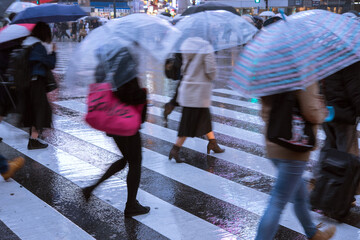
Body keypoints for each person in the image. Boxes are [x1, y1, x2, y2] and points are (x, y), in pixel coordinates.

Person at [256, 83, 335, 240]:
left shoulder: (270, 67)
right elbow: (311, 111)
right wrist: (322, 113)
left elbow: (264, 108)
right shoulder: (303, 68)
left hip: (272, 140)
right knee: (278, 201)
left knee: (299, 194)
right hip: (294, 145)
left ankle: (313, 233)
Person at [82, 48, 150, 218]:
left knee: (126, 158)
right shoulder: (127, 74)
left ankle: (92, 187)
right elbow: (134, 98)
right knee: (135, 162)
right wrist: (144, 95)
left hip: (112, 123)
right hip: (126, 124)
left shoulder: (106, 70)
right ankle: (131, 205)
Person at [168, 37, 224, 163]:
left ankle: (213, 143)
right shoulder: (206, 47)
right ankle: (175, 149)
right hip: (199, 92)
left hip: (188, 89)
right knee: (188, 124)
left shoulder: (186, 45)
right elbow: (211, 71)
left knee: (205, 118)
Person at [319, 61, 360, 204]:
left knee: (330, 150)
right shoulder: (349, 60)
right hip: (344, 113)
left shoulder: (325, 56)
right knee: (349, 155)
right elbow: (354, 89)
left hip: (327, 111)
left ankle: (323, 187)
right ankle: (345, 195)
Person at [19, 22, 56, 150]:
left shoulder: (25, 43)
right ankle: (33, 140)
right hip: (37, 82)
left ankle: (33, 137)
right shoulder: (38, 46)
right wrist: (52, 52)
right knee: (40, 111)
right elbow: (50, 64)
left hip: (26, 82)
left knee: (33, 110)